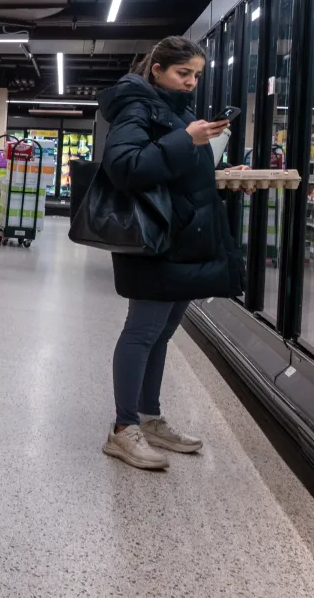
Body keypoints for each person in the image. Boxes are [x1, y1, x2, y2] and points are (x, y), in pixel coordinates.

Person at [98, 36, 245, 471]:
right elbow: (125, 167)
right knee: (142, 331)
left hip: (185, 238)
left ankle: (150, 414)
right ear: (158, 68)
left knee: (162, 333)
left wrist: (221, 175)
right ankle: (124, 429)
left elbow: (174, 170)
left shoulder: (177, 112)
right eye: (184, 73)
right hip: (155, 240)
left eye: (197, 75)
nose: (191, 82)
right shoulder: (135, 106)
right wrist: (188, 139)